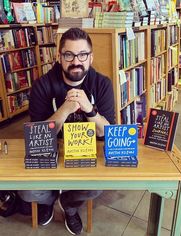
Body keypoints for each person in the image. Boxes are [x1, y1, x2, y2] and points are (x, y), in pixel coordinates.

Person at [18, 27, 115, 235]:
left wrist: (89, 109)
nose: (76, 61)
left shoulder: (102, 84)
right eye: (69, 55)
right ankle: (48, 199)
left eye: (82, 54)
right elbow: (37, 136)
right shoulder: (42, 86)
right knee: (27, 191)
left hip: (86, 154)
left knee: (96, 187)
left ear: (91, 57)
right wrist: (64, 110)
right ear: (59, 57)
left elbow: (108, 133)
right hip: (51, 153)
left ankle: (68, 205)